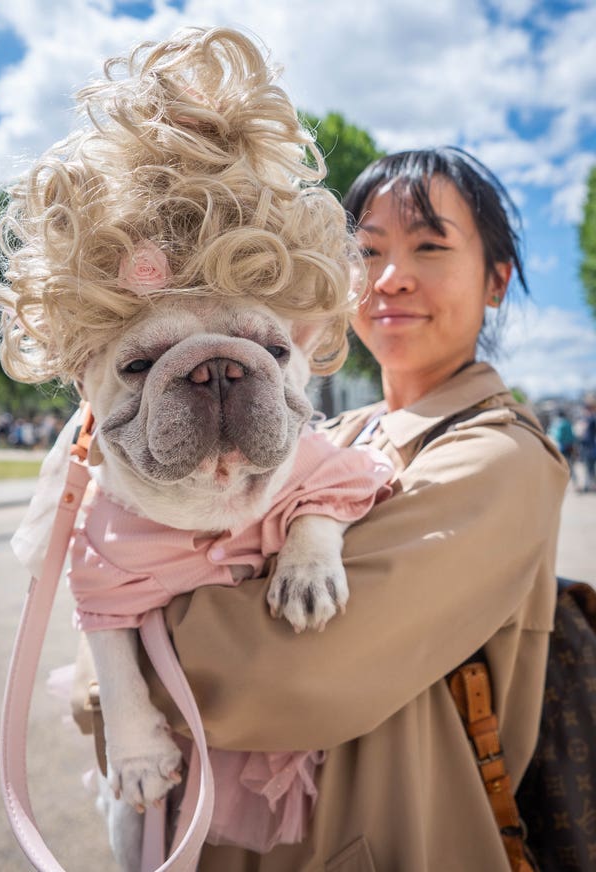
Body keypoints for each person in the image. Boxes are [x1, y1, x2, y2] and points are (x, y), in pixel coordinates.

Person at [137, 147, 569, 871]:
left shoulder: (503, 458)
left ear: (496, 281)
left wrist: (114, 661)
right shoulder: (330, 433)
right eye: (367, 251)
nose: (389, 277)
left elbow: (276, 676)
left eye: (430, 246)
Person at [547, 408, 576, 482]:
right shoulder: (567, 423)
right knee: (570, 466)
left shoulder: (556, 424)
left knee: (560, 467)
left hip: (559, 448)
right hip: (568, 447)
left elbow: (556, 436)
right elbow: (573, 436)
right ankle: (575, 482)